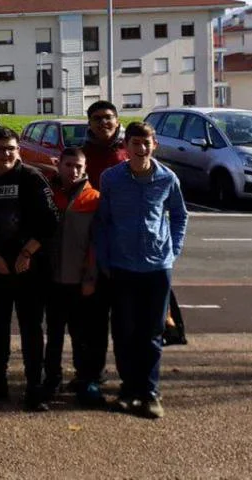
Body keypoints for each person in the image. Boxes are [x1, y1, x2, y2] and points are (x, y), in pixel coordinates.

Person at [93, 121, 187, 420]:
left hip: (157, 268)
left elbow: (179, 216)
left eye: (147, 143)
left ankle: (150, 392)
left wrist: (172, 250)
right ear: (126, 146)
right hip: (122, 266)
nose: (141, 148)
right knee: (124, 332)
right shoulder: (111, 178)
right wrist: (104, 259)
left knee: (152, 333)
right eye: (135, 143)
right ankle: (129, 389)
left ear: (154, 145)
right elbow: (103, 222)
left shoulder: (167, 178)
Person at [0, 128, 59, 411]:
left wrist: (27, 252)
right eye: (0, 149)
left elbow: (50, 221)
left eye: (11, 148)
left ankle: (34, 386)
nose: (6, 154)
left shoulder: (32, 178)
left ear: (19, 150)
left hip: (28, 267)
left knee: (31, 328)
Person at [44, 147, 106, 406]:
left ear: (85, 167)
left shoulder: (94, 199)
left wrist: (90, 276)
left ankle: (85, 378)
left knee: (81, 335)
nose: (74, 170)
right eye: (68, 165)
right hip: (52, 279)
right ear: (59, 165)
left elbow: (97, 242)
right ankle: (52, 378)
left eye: (79, 165)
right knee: (54, 334)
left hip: (80, 279)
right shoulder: (49, 194)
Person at [82, 101, 128, 191]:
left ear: (117, 122)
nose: (103, 122)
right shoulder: (82, 154)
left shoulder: (132, 149)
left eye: (108, 117)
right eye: (97, 118)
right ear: (89, 124)